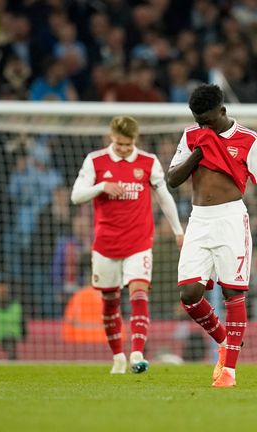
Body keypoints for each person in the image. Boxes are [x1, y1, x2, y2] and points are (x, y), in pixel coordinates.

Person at [167, 84, 257, 387]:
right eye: (198, 120)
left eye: (208, 120)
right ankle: (225, 341)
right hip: (199, 220)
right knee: (189, 295)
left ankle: (229, 372)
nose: (203, 125)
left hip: (231, 220)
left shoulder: (250, 140)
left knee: (233, 293)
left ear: (222, 111)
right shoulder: (191, 136)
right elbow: (172, 178)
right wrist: (199, 151)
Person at [71, 116, 184, 374]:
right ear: (111, 137)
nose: (123, 148)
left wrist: (178, 231)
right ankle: (118, 358)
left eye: (128, 144)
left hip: (139, 241)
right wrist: (102, 187)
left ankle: (136, 354)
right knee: (110, 302)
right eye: (119, 143)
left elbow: (164, 197)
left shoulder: (148, 162)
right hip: (106, 244)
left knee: (139, 294)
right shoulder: (96, 161)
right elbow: (76, 196)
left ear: (136, 140)